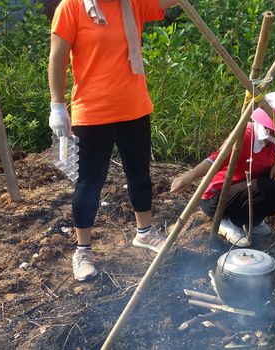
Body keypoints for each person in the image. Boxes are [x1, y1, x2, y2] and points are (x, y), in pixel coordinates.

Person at [48, 0, 180, 281]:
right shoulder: (71, 7)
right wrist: (57, 106)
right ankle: (82, 250)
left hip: (134, 107)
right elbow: (57, 58)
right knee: (89, 183)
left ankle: (144, 232)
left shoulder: (132, 3)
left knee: (139, 173)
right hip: (92, 111)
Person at [170, 92, 275, 247]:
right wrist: (191, 175)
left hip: (244, 190)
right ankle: (229, 221)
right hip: (219, 197)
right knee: (267, 187)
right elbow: (216, 159)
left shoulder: (272, 140)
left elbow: (266, 159)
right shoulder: (245, 135)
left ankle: (253, 222)